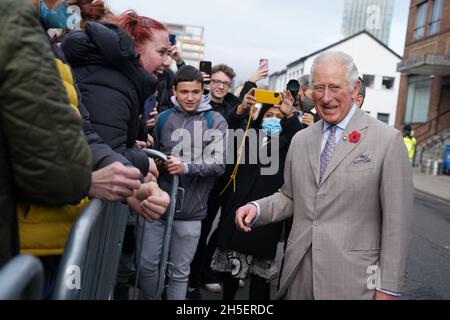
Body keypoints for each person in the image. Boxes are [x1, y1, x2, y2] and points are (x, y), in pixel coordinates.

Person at [236, 51, 413, 300]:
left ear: (355, 88)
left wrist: (388, 288)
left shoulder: (386, 141)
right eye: (319, 87)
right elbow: (291, 196)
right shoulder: (301, 138)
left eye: (334, 87)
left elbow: (398, 223)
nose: (326, 97)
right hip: (297, 275)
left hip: (355, 283)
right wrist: (258, 208)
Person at [0, 0, 92, 267]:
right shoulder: (15, 25)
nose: (72, 8)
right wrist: (91, 176)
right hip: (30, 240)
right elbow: (63, 176)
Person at [136, 66, 228, 300]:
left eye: (195, 92)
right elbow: (152, 157)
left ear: (202, 91)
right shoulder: (164, 117)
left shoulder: (215, 120)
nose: (190, 97)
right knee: (146, 266)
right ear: (175, 90)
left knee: (179, 273)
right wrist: (154, 157)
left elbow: (219, 164)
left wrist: (185, 166)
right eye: (184, 91)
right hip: (156, 207)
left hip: (191, 212)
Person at [211, 89, 302, 300]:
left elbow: (300, 136)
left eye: (279, 117)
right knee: (232, 273)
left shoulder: (291, 144)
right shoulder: (248, 135)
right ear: (261, 117)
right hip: (238, 210)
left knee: (260, 280)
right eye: (270, 115)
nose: (274, 120)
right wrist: (242, 109)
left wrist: (290, 117)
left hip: (266, 216)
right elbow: (228, 128)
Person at [61, 10, 171, 179]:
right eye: (161, 52)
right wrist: (143, 160)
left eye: (168, 54)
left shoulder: (121, 80)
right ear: (135, 47)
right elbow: (105, 156)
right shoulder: (111, 85)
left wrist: (132, 144)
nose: (167, 62)